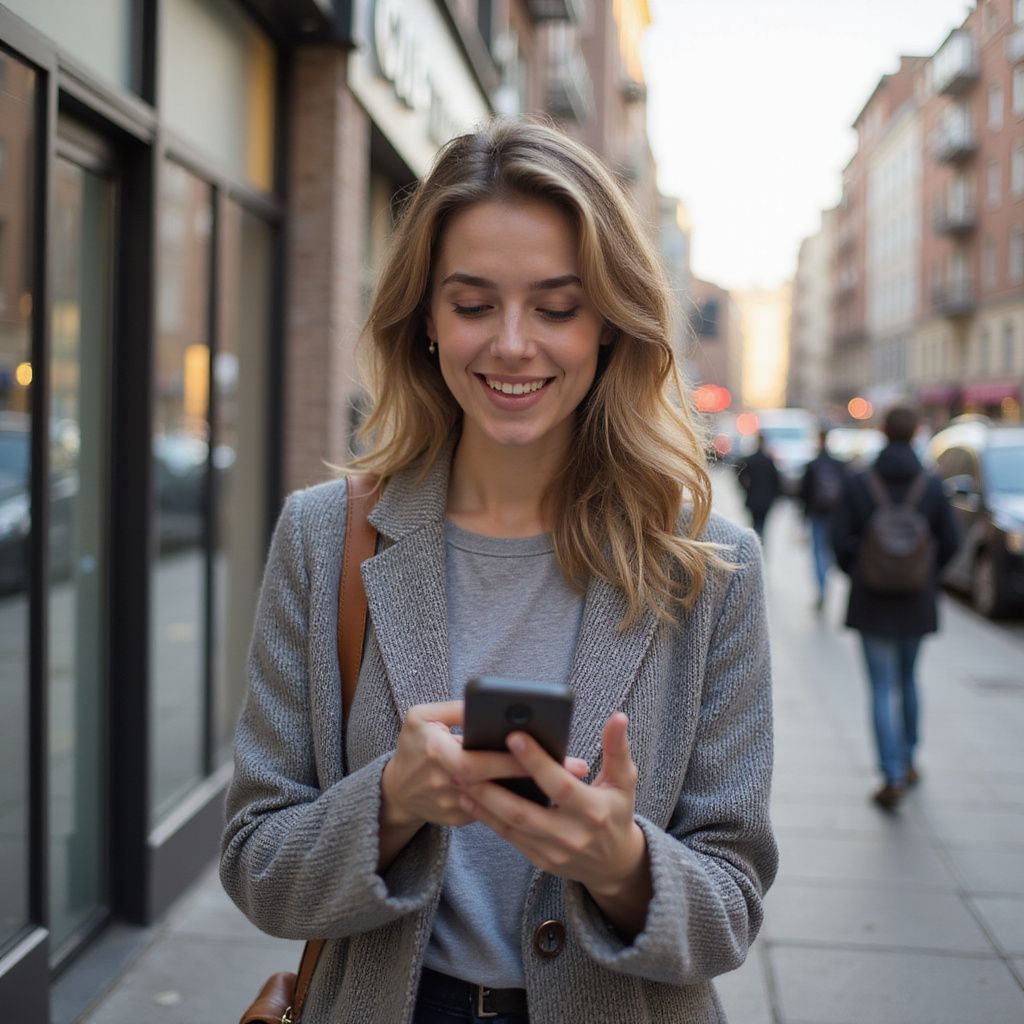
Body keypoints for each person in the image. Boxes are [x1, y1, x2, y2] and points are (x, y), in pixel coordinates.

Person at [220, 119, 777, 1024]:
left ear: (608, 325)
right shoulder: (327, 539)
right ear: (426, 323)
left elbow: (730, 912)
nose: (513, 344)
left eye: (557, 307)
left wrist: (622, 865)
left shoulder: (709, 568)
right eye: (474, 304)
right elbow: (257, 868)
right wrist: (390, 803)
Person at [832, 405, 959, 811]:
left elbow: (838, 539)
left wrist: (862, 571)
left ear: (883, 432)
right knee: (908, 680)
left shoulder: (859, 482)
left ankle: (890, 773)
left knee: (881, 687)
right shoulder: (932, 484)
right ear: (917, 432)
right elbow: (953, 542)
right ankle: (908, 758)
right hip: (916, 603)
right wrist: (925, 574)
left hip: (872, 602)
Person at [799, 428, 847, 610]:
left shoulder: (813, 465)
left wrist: (803, 518)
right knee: (827, 552)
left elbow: (804, 494)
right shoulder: (839, 465)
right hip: (835, 516)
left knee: (818, 552)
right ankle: (826, 583)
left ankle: (822, 588)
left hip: (817, 514)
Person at [737, 432, 780, 541]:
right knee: (762, 525)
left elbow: (739, 474)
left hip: (753, 498)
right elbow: (776, 481)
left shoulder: (751, 460)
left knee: (755, 524)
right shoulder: (768, 461)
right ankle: (758, 542)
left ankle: (756, 541)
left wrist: (746, 487)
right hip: (765, 499)